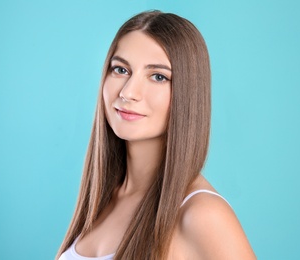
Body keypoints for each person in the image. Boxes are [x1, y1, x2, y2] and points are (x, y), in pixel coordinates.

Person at [56, 10, 256, 260]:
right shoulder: (102, 197)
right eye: (120, 70)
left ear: (188, 94)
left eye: (158, 76)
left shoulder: (202, 214)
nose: (129, 92)